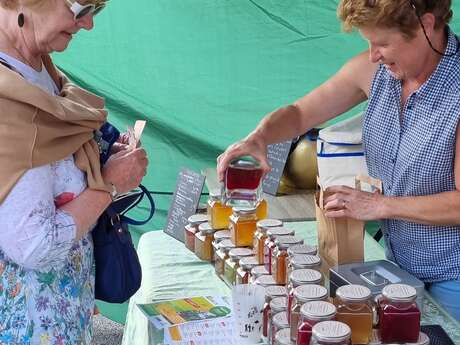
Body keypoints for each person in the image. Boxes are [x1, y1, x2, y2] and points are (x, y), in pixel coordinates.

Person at [218, 0, 460, 320]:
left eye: (383, 43)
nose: (373, 54)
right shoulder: (375, 72)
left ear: (426, 25)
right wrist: (258, 137)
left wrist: (380, 206)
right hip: (399, 268)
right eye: (368, 43)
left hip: (452, 276)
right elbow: (300, 113)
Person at [0, 0, 148, 343]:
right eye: (82, 7)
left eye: (96, 10)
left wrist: (104, 160)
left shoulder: (37, 69)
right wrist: (109, 183)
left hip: (62, 315)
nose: (89, 24)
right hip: (25, 329)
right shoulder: (9, 99)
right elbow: (35, 245)